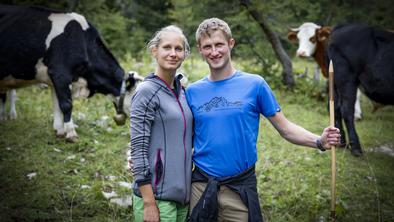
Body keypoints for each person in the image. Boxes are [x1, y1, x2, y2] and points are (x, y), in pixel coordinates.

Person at [185, 18, 341, 222]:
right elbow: (179, 138)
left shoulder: (255, 85)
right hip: (201, 187)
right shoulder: (192, 92)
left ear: (231, 43)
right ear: (200, 49)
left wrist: (319, 141)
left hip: (239, 187)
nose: (214, 52)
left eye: (219, 44)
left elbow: (285, 128)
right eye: (207, 47)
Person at [129, 25, 193, 222]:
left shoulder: (182, 92)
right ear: (154, 51)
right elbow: (138, 150)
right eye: (167, 47)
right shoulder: (146, 91)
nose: (173, 54)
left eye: (178, 49)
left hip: (182, 198)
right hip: (156, 199)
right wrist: (149, 203)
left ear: (184, 54)